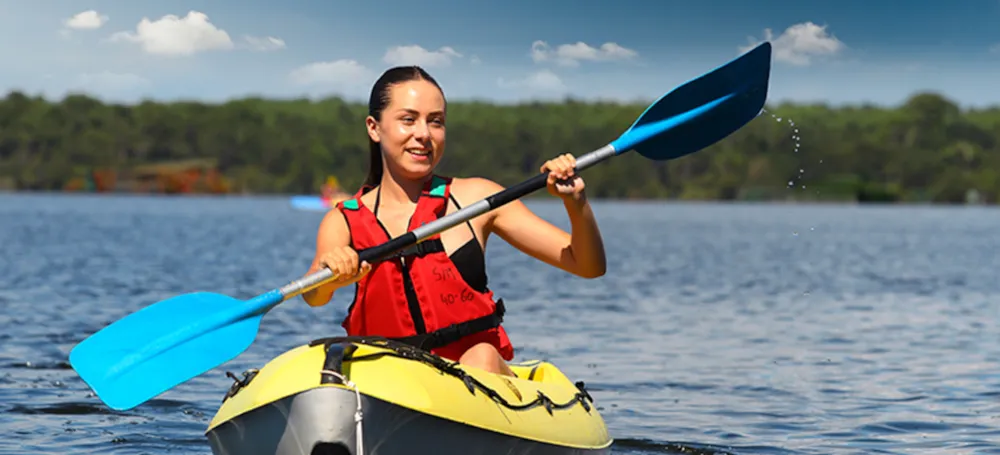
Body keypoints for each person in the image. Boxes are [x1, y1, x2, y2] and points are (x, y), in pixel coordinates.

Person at [301, 65, 606, 377]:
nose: (424, 134)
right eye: (408, 119)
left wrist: (575, 203)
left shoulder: (478, 199)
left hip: (477, 379)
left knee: (482, 356)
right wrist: (333, 276)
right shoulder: (343, 220)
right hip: (388, 386)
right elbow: (313, 294)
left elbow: (587, 265)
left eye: (436, 122)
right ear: (374, 128)